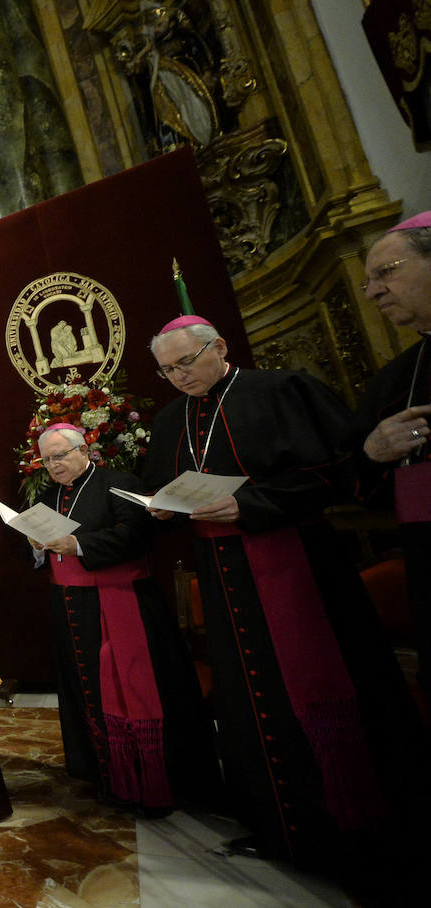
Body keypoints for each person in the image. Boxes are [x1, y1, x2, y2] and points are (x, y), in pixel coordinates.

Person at [143, 315, 427, 876]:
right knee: (250, 697)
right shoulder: (171, 419)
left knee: (318, 683)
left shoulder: (279, 389)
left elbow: (341, 472)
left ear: (218, 347)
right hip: (221, 573)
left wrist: (250, 504)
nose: (178, 377)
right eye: (167, 370)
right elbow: (163, 485)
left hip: (293, 561)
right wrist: (157, 506)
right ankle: (278, 820)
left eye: (186, 363)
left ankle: (358, 826)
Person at [28, 424, 219, 813]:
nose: (54, 465)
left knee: (133, 689)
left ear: (85, 450)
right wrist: (34, 546)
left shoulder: (118, 484)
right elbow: (40, 554)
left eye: (61, 455)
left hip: (121, 602)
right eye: (47, 460)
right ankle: (108, 777)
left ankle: (155, 784)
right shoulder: (48, 497)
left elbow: (136, 535)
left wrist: (79, 544)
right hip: (70, 609)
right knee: (88, 693)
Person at [353, 210, 431, 708]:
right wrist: (372, 453)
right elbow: (357, 482)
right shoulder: (394, 380)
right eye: (367, 282)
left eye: (387, 271)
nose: (373, 291)